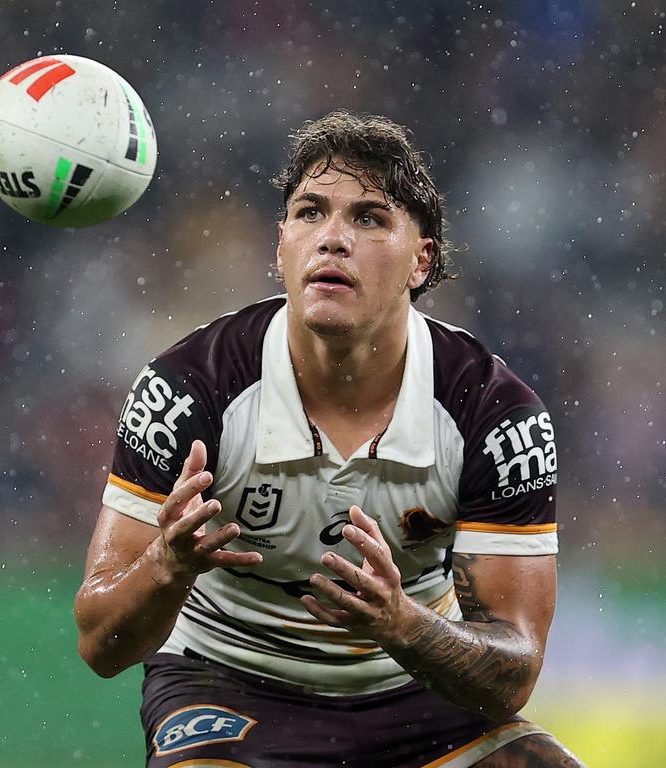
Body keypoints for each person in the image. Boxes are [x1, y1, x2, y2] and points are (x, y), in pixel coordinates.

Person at [74, 110, 584, 768]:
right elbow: (99, 645)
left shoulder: (495, 413)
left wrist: (402, 623)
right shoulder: (186, 390)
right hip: (228, 687)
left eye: (369, 218)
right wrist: (166, 568)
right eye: (310, 212)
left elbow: (514, 675)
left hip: (414, 694)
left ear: (420, 259)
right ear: (281, 243)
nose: (332, 239)